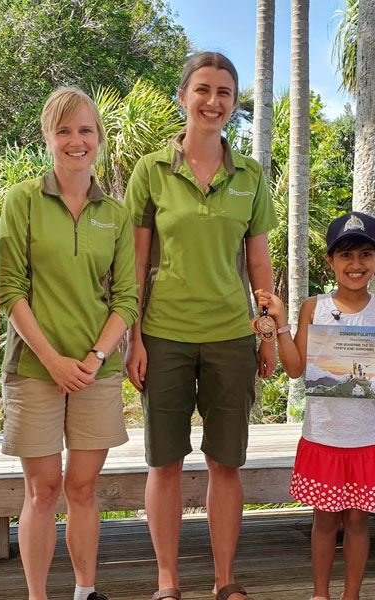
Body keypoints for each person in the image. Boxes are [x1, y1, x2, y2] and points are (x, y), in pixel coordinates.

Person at [124, 51, 278, 600]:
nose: (213, 102)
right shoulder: (151, 171)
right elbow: (135, 265)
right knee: (165, 462)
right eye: (203, 90)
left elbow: (259, 265)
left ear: (235, 105)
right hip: (164, 335)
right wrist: (134, 337)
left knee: (225, 462)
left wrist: (267, 331)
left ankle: (224, 579)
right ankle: (167, 581)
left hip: (232, 336)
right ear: (183, 95)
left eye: (225, 94)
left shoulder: (250, 176)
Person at [0, 87, 138, 600]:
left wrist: (95, 358)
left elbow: (126, 300)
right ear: (47, 137)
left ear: (98, 138)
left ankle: (84, 591)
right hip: (34, 371)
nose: (76, 141)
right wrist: (52, 360)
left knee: (81, 488)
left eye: (85, 131)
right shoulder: (22, 201)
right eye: (64, 131)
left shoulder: (116, 216)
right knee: (42, 490)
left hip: (95, 373)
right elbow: (8, 288)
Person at [254, 212, 375, 600]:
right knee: (324, 520)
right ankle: (320, 594)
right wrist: (282, 325)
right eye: (346, 256)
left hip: (370, 436)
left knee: (357, 521)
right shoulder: (313, 307)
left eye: (366, 255)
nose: (356, 265)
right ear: (330, 262)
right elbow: (294, 368)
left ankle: (350, 595)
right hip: (324, 434)